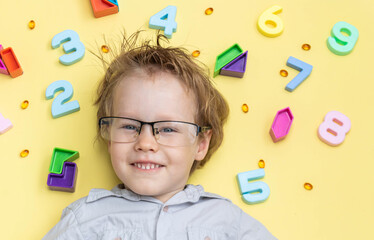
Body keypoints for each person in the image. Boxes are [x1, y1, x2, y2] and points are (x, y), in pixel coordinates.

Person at [42, 31, 277, 240]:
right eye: (129, 126)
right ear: (109, 137)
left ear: (201, 144)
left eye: (167, 129)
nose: (145, 143)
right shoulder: (85, 218)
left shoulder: (226, 220)